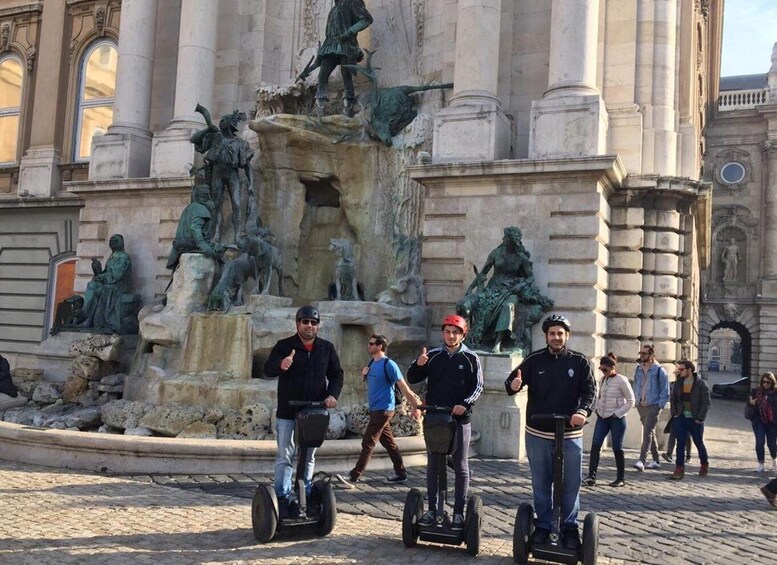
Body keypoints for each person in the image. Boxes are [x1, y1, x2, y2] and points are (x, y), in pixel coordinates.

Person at [505, 314, 596, 551]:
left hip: (570, 434)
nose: (556, 337)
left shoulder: (579, 362)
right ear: (546, 336)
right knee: (541, 483)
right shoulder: (534, 360)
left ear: (567, 335)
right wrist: (513, 386)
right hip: (538, 433)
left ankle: (569, 528)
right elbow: (511, 382)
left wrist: (583, 412)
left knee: (570, 484)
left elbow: (589, 392)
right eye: (552, 333)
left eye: (561, 333)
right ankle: (543, 526)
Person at [263, 305, 344, 517]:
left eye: (314, 322)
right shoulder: (284, 346)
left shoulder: (326, 348)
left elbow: (337, 374)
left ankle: (305, 493)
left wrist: (332, 395)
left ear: (318, 326)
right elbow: (267, 369)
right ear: (297, 323)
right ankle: (282, 496)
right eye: (305, 322)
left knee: (308, 456)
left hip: (314, 412)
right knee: (285, 455)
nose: (310, 326)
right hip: (288, 410)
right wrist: (282, 364)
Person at [407, 314, 483, 531]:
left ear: (463, 334)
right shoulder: (432, 355)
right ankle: (432, 510)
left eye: (455, 332)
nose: (451, 336)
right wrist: (419, 364)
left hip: (459, 419)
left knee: (460, 464)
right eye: (447, 331)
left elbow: (477, 387)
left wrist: (465, 404)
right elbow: (412, 377)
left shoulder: (471, 358)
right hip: (435, 418)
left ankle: (458, 512)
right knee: (433, 464)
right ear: (443, 333)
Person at [339, 335, 420, 486]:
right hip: (375, 409)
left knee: (368, 442)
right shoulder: (372, 363)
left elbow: (404, 387)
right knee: (389, 443)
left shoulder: (389, 364)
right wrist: (364, 375)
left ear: (380, 346)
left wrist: (415, 406)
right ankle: (401, 473)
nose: (368, 346)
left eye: (371, 344)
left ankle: (354, 475)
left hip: (384, 410)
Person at [457, 226, 552, 353]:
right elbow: (483, 273)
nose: (503, 239)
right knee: (473, 304)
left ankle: (498, 343)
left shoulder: (521, 258)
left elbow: (530, 278)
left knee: (508, 306)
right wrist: (470, 288)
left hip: (512, 290)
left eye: (506, 237)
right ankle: (467, 337)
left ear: (511, 240)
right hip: (493, 288)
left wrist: (521, 285)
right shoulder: (496, 253)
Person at [299, 0, 373, 116]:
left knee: (346, 73)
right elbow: (327, 37)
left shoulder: (353, 2)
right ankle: (320, 106)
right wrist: (307, 71)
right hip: (330, 45)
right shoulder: (334, 9)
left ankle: (349, 104)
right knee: (322, 74)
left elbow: (367, 20)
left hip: (346, 44)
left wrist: (349, 32)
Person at [190, 108, 254, 242]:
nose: (220, 122)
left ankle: (237, 236)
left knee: (236, 203)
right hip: (217, 172)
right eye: (221, 120)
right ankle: (216, 234)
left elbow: (248, 166)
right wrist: (207, 129)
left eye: (224, 121)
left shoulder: (240, 143)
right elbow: (193, 139)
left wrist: (251, 184)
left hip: (232, 173)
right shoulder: (215, 137)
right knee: (216, 204)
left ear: (230, 124)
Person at [583, 353, 635, 488]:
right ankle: (591, 476)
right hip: (602, 417)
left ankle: (620, 478)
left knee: (617, 447)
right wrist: (596, 410)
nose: (603, 372)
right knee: (595, 445)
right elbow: (599, 397)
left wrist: (617, 413)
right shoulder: (603, 380)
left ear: (613, 367)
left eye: (605, 369)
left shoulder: (622, 380)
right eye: (601, 369)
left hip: (617, 418)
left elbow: (631, 401)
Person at [78, 234, 132, 333]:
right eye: (111, 242)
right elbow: (107, 272)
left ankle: (92, 320)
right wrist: (98, 273)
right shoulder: (112, 256)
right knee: (92, 284)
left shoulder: (124, 257)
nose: (112, 244)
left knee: (102, 290)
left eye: (115, 242)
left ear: (120, 243)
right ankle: (85, 312)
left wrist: (102, 277)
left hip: (118, 285)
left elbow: (117, 275)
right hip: (109, 282)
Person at [667, 360, 710, 480]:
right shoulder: (678, 384)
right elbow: (673, 399)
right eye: (679, 369)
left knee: (698, 443)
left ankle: (704, 464)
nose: (679, 372)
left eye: (682, 369)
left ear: (690, 370)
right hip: (681, 418)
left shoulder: (701, 384)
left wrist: (700, 418)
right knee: (680, 444)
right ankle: (679, 469)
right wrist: (674, 414)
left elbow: (706, 403)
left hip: (695, 419)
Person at [166, 184, 222, 271]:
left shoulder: (189, 208)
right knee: (219, 255)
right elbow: (195, 228)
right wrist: (203, 245)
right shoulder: (201, 209)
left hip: (182, 245)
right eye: (208, 195)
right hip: (192, 244)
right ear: (205, 196)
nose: (210, 197)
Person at [632, 343, 670, 471]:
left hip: (653, 406)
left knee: (647, 432)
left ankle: (642, 460)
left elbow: (665, 391)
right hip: (641, 406)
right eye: (641, 353)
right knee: (650, 433)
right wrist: (637, 401)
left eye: (644, 354)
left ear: (652, 355)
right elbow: (636, 384)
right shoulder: (638, 369)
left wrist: (659, 406)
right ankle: (656, 460)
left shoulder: (660, 370)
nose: (642, 356)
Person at [747, 372, 777, 472]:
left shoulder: (775, 392)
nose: (765, 384)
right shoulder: (756, 391)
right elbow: (749, 402)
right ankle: (761, 463)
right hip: (759, 420)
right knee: (760, 443)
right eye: (763, 382)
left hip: (772, 422)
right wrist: (751, 402)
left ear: (772, 382)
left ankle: (774, 459)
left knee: (772, 443)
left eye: (768, 382)